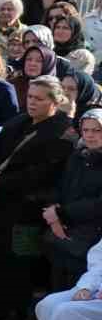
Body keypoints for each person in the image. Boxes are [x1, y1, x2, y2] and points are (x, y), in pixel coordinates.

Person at [0, 75, 74, 320]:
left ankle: (17, 316)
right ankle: (0, 307)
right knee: (1, 255)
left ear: (55, 101)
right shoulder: (18, 121)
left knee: (22, 262)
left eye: (39, 99)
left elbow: (44, 173)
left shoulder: (63, 132)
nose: (32, 102)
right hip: (2, 203)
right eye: (30, 97)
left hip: (29, 207)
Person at [42, 109, 102, 288]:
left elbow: (98, 205)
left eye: (97, 130)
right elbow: (59, 185)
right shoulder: (78, 155)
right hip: (64, 230)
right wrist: (53, 212)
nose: (90, 135)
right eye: (86, 130)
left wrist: (61, 213)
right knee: (57, 283)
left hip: (92, 237)